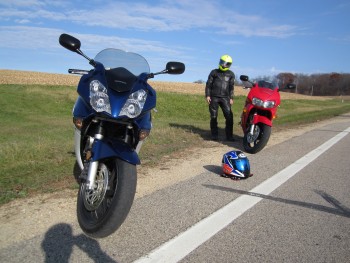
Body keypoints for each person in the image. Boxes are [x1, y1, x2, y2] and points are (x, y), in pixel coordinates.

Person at [205, 54, 235, 141]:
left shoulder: (231, 74)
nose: (223, 65)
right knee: (214, 116)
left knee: (229, 117)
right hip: (214, 97)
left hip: (225, 98)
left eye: (226, 63)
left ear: (229, 65)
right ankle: (214, 135)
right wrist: (207, 95)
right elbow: (208, 85)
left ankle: (229, 136)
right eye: (222, 62)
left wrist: (231, 97)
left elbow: (231, 87)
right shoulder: (214, 72)